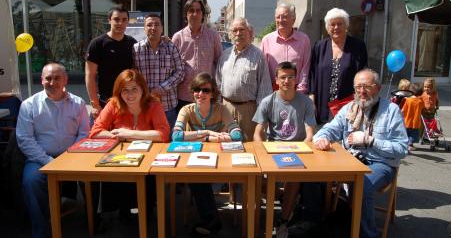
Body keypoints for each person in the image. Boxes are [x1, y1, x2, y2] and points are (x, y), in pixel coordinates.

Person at [313, 69, 408, 238]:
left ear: (378, 88)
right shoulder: (349, 108)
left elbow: (402, 149)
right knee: (317, 177)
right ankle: (334, 224)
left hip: (381, 164)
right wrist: (322, 138)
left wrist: (370, 140)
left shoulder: (391, 111)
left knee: (362, 185)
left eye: (366, 87)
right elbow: (328, 129)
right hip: (351, 161)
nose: (361, 92)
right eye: (358, 87)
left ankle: (367, 234)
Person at [16, 63, 90, 238]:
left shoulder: (78, 103)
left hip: (73, 156)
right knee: (32, 181)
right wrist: (48, 161)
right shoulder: (29, 105)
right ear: (41, 80)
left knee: (94, 178)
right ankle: (41, 231)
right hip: (40, 158)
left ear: (66, 80)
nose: (52, 82)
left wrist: (70, 157)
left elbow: (85, 134)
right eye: (48, 78)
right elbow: (25, 139)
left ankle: (92, 220)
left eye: (57, 78)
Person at [89, 69, 170, 215]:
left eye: (134, 89)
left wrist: (130, 133)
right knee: (112, 175)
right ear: (119, 91)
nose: (130, 94)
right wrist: (118, 136)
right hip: (121, 158)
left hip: (148, 158)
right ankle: (122, 209)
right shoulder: (113, 104)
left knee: (148, 180)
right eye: (125, 90)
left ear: (142, 89)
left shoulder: (153, 104)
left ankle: (147, 209)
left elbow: (164, 134)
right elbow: (95, 132)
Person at [252, 61, 319, 237]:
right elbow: (258, 133)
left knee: (294, 176)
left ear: (296, 79)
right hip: (273, 149)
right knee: (255, 179)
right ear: (276, 79)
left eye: (290, 77)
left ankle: (283, 220)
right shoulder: (268, 100)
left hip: (298, 149)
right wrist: (261, 152)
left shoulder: (305, 102)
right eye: (283, 77)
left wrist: (302, 150)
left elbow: (310, 134)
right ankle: (284, 197)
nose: (287, 81)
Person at [172, 72, 242, 235]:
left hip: (220, 158)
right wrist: (207, 133)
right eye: (197, 89)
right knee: (197, 175)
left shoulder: (221, 109)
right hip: (196, 157)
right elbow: (175, 137)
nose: (200, 94)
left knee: (198, 177)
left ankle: (210, 219)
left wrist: (207, 138)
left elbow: (238, 135)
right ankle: (212, 220)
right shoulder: (186, 109)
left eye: (206, 90)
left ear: (213, 94)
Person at [216, 17, 272, 141]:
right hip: (226, 110)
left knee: (250, 149)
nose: (238, 33)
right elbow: (218, 83)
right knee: (226, 146)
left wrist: (262, 120)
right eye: (234, 30)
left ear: (250, 33)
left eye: (241, 29)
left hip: (249, 112)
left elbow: (264, 91)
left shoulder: (258, 56)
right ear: (230, 34)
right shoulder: (225, 55)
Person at [309, 8, 368, 125]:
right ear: (328, 28)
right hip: (322, 106)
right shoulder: (319, 46)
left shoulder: (358, 46)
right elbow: (312, 74)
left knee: (343, 139)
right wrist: (311, 98)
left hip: (348, 105)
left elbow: (363, 74)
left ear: (346, 25)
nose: (336, 27)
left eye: (340, 24)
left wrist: (359, 101)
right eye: (333, 24)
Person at [133, 13, 184, 129]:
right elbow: (133, 76)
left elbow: (180, 71)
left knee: (169, 141)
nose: (153, 28)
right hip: (143, 105)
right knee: (145, 141)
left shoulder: (171, 48)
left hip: (167, 106)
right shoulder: (136, 49)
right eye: (149, 25)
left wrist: (162, 88)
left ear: (162, 28)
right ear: (144, 28)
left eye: (157, 24)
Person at [85, 6, 137, 119]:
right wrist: (95, 104)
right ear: (109, 20)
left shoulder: (132, 43)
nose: (120, 23)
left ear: (128, 21)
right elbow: (90, 75)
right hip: (104, 101)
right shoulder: (97, 43)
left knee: (125, 135)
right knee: (100, 135)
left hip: (127, 101)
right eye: (116, 19)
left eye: (124, 20)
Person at [172, 0, 222, 111]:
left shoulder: (213, 36)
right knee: (185, 128)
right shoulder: (178, 37)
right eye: (191, 11)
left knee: (207, 128)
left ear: (203, 14)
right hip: (184, 96)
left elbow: (219, 63)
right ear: (186, 14)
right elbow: (172, 67)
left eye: (198, 11)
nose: (195, 14)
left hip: (207, 94)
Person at [260, 3, 311, 93]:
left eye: (284, 17)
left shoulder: (304, 40)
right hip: (274, 91)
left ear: (293, 20)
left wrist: (301, 91)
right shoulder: (266, 40)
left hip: (297, 91)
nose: (280, 20)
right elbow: (263, 70)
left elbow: (305, 68)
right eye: (278, 17)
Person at [401, 83, 424, 152]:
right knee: (413, 134)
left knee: (406, 133)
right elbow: (423, 108)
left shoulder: (408, 100)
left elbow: (403, 110)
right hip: (415, 122)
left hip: (406, 121)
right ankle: (410, 145)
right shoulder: (420, 101)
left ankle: (405, 145)